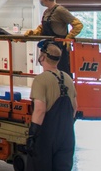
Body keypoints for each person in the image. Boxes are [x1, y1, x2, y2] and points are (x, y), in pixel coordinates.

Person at [27, 40, 78, 171]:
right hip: (67, 136)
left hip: (46, 138)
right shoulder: (68, 78)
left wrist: (32, 135)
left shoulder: (41, 79)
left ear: (42, 57)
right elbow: (75, 107)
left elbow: (40, 110)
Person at [24, 0, 83, 74]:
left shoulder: (60, 10)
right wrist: (33, 32)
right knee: (50, 73)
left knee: (63, 73)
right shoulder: (46, 12)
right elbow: (42, 28)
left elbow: (78, 25)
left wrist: (68, 38)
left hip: (60, 50)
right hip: (48, 49)